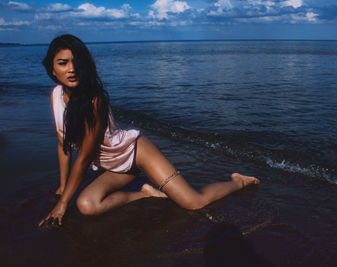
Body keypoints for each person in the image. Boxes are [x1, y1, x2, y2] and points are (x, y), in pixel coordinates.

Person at [38, 34, 259, 227]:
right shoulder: (55, 96)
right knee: (87, 205)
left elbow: (84, 157)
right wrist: (63, 186)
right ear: (52, 69)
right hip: (114, 167)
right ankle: (144, 193)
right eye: (63, 63)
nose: (72, 68)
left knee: (193, 203)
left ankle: (239, 181)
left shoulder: (93, 99)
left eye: (76, 62)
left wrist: (62, 204)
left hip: (135, 153)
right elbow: (63, 145)